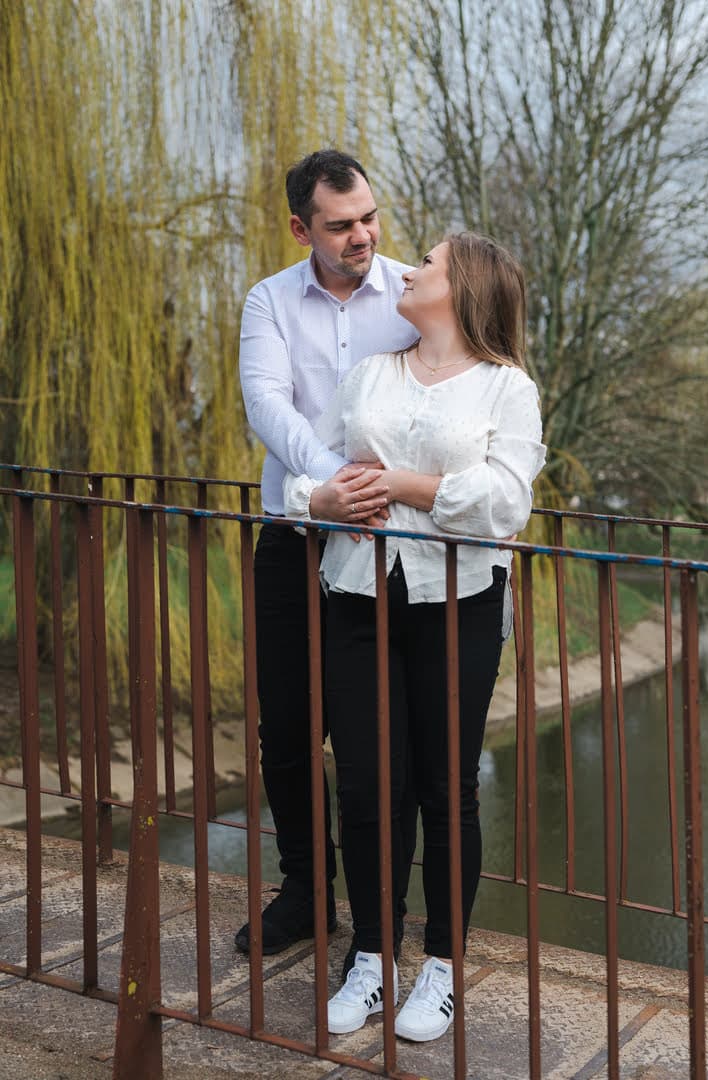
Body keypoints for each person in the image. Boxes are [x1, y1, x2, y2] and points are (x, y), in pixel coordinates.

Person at [283, 232, 546, 1041]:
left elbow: (503, 503)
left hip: (459, 600)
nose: (408, 270)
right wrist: (316, 502)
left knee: (445, 787)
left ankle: (440, 967)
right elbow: (313, 470)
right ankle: (371, 958)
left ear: (463, 287)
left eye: (425, 263)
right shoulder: (371, 374)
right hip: (355, 595)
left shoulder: (506, 388)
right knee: (366, 785)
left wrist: (402, 485)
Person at [236, 150, 418, 963]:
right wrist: (324, 485)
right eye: (341, 225)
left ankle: (381, 918)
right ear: (299, 227)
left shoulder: (414, 293)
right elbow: (266, 402)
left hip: (384, 543)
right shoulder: (269, 300)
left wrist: (360, 496)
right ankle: (305, 894)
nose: (362, 235)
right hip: (293, 535)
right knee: (285, 729)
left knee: (373, 741)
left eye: (368, 217)